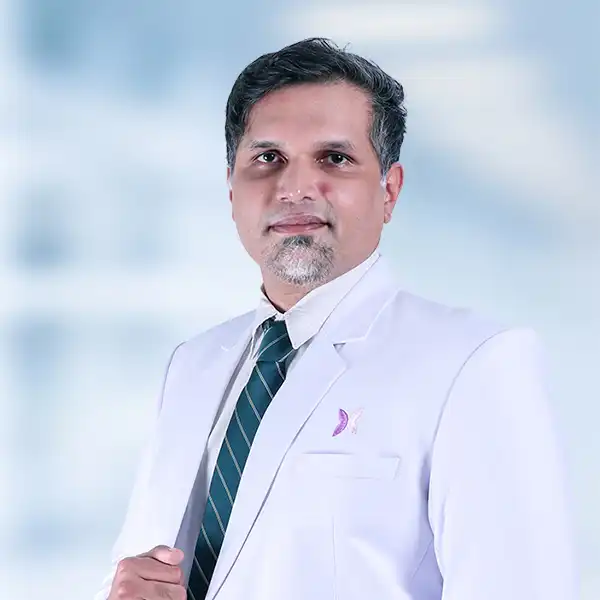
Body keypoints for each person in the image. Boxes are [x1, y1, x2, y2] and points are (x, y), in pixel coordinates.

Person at [95, 38, 577, 600]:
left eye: (334, 158)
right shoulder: (193, 365)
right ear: (231, 189)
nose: (295, 188)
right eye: (268, 159)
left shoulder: (472, 364)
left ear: (389, 190)